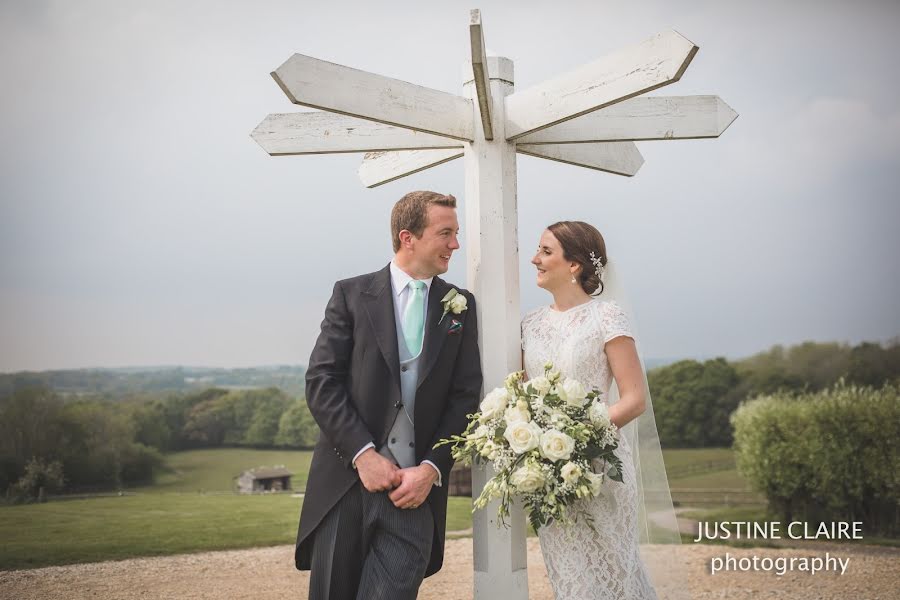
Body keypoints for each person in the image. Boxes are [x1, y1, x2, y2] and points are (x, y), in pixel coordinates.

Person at [295, 190, 482, 600]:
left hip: (413, 494)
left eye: (456, 233)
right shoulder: (350, 294)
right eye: (446, 233)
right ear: (407, 237)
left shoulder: (460, 306)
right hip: (346, 486)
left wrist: (432, 468)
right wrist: (363, 454)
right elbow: (322, 381)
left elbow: (466, 397)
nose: (455, 244)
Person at [522, 221, 679, 600]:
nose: (534, 259)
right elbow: (523, 395)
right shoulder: (529, 323)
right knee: (571, 577)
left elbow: (634, 398)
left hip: (602, 466)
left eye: (545, 251)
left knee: (615, 571)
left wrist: (577, 437)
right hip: (548, 473)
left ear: (574, 265)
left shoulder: (607, 317)